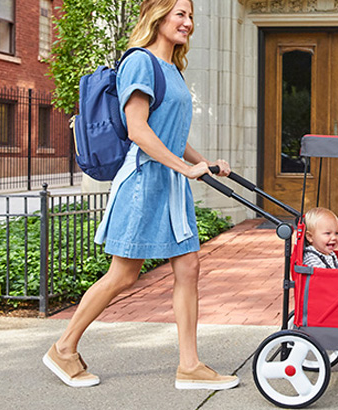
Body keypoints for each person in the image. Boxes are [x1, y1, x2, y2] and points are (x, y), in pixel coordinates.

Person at [42, 0, 239, 391]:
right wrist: (186, 168)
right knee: (124, 274)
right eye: (180, 14)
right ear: (158, 15)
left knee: (188, 269)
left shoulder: (173, 70)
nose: (188, 23)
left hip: (170, 184)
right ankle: (64, 347)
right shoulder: (140, 62)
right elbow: (138, 130)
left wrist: (205, 163)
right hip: (144, 182)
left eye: (191, 17)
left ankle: (190, 365)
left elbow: (171, 135)